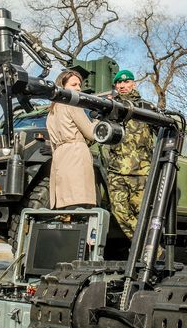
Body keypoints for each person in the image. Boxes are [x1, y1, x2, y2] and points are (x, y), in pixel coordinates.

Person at [106, 69, 156, 239]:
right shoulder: (109, 108)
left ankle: (148, 252)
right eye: (119, 82)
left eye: (126, 82)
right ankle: (147, 248)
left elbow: (165, 132)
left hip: (141, 171)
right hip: (116, 170)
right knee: (119, 213)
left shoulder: (147, 107)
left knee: (144, 216)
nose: (122, 85)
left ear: (133, 83)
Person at [46, 70, 97, 210]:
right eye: (74, 84)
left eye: (79, 85)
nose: (79, 88)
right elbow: (91, 133)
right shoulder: (72, 105)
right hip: (76, 156)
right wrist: (99, 119)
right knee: (80, 206)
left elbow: (52, 145)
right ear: (62, 86)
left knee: (65, 207)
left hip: (59, 159)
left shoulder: (51, 112)